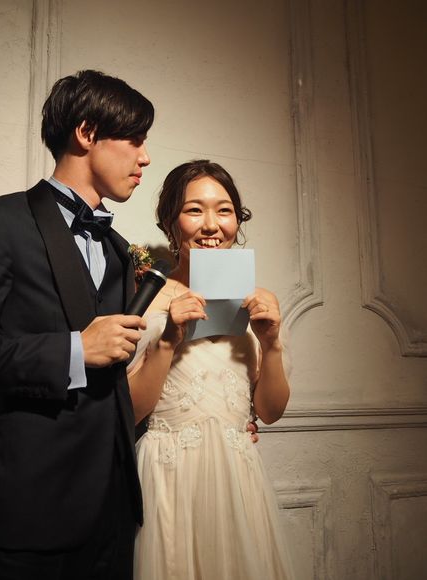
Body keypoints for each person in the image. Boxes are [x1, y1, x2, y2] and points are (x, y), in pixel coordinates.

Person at [0, 70, 154, 580]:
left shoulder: (119, 250)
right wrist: (74, 350)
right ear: (87, 133)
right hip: (32, 515)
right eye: (135, 139)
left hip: (114, 512)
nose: (145, 157)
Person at [129, 160, 294, 579]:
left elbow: (270, 411)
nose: (211, 225)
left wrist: (271, 343)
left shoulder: (258, 299)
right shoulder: (147, 295)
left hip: (238, 476)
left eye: (224, 211)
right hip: (168, 472)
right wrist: (169, 338)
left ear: (237, 220)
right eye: (194, 210)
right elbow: (130, 410)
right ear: (171, 221)